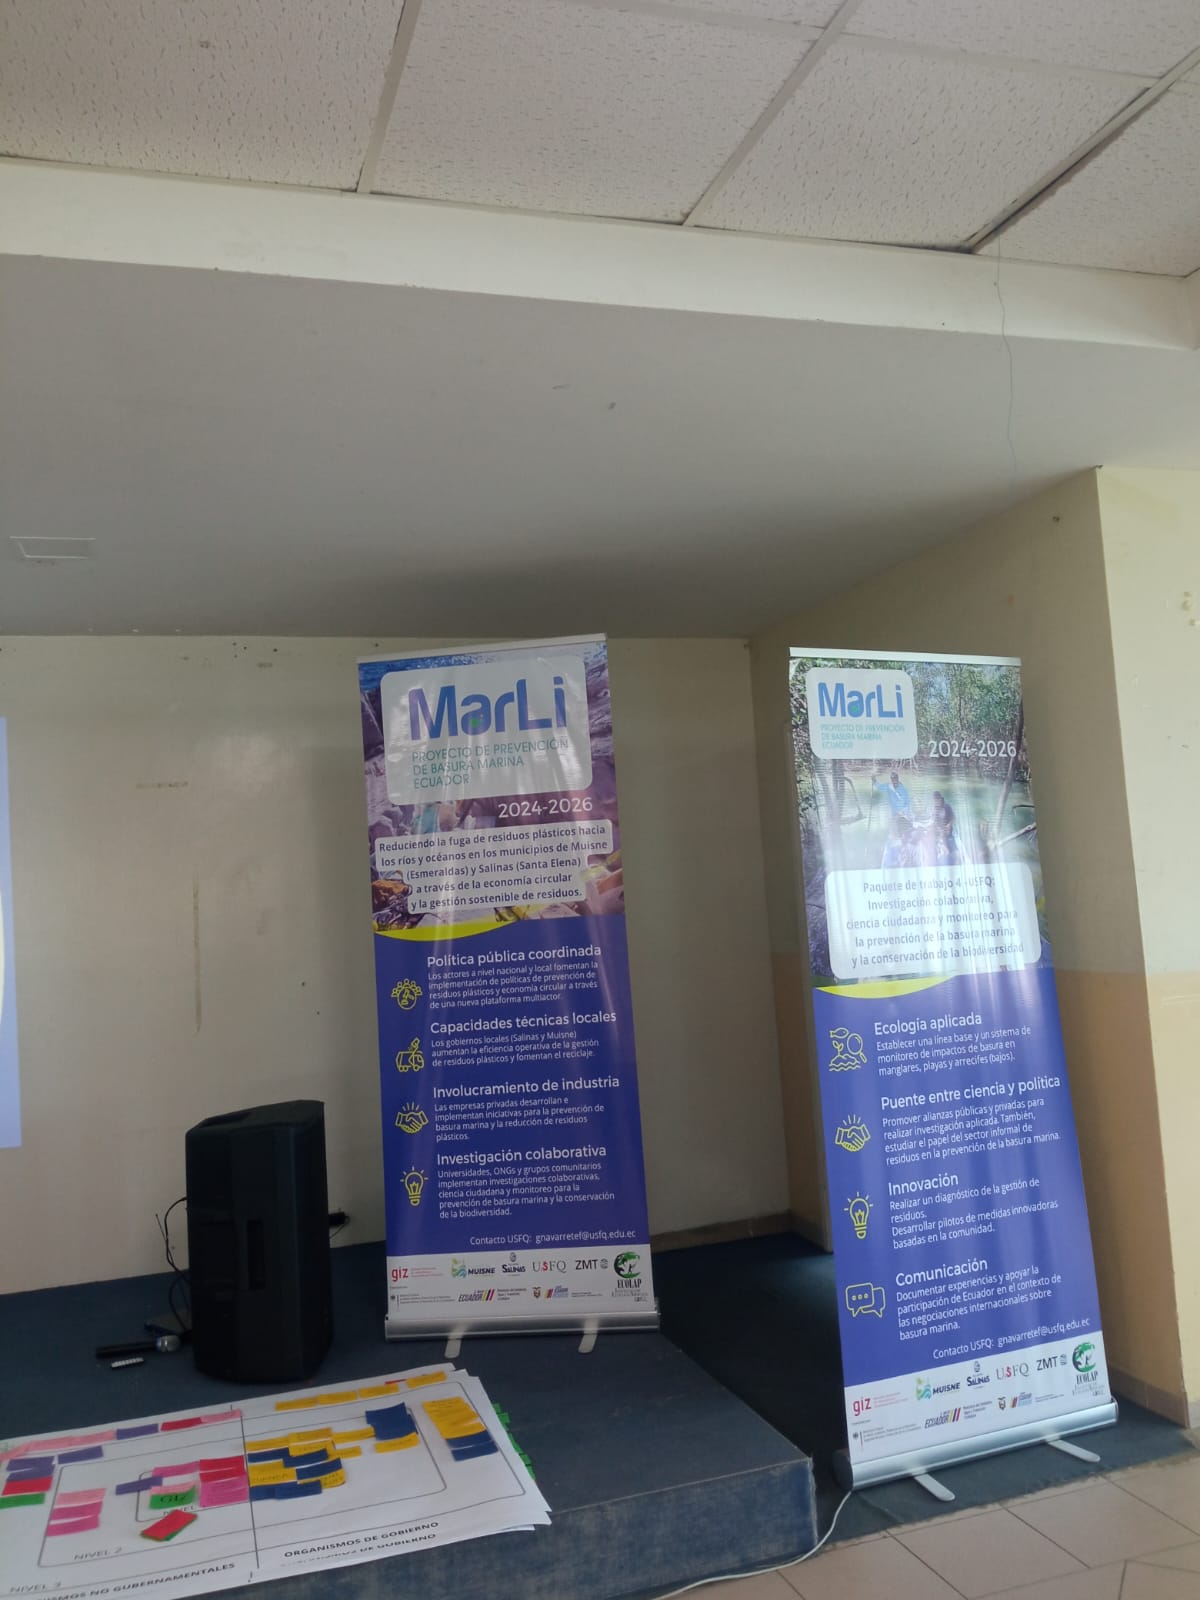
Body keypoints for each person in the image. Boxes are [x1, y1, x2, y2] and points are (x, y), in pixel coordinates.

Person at [930, 791, 961, 865]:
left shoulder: (947, 807)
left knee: (956, 854)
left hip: (949, 835)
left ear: (941, 799)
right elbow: (934, 823)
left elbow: (953, 818)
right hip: (940, 837)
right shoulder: (934, 810)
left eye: (938, 799)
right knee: (944, 854)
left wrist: (949, 825)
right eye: (935, 800)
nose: (937, 801)